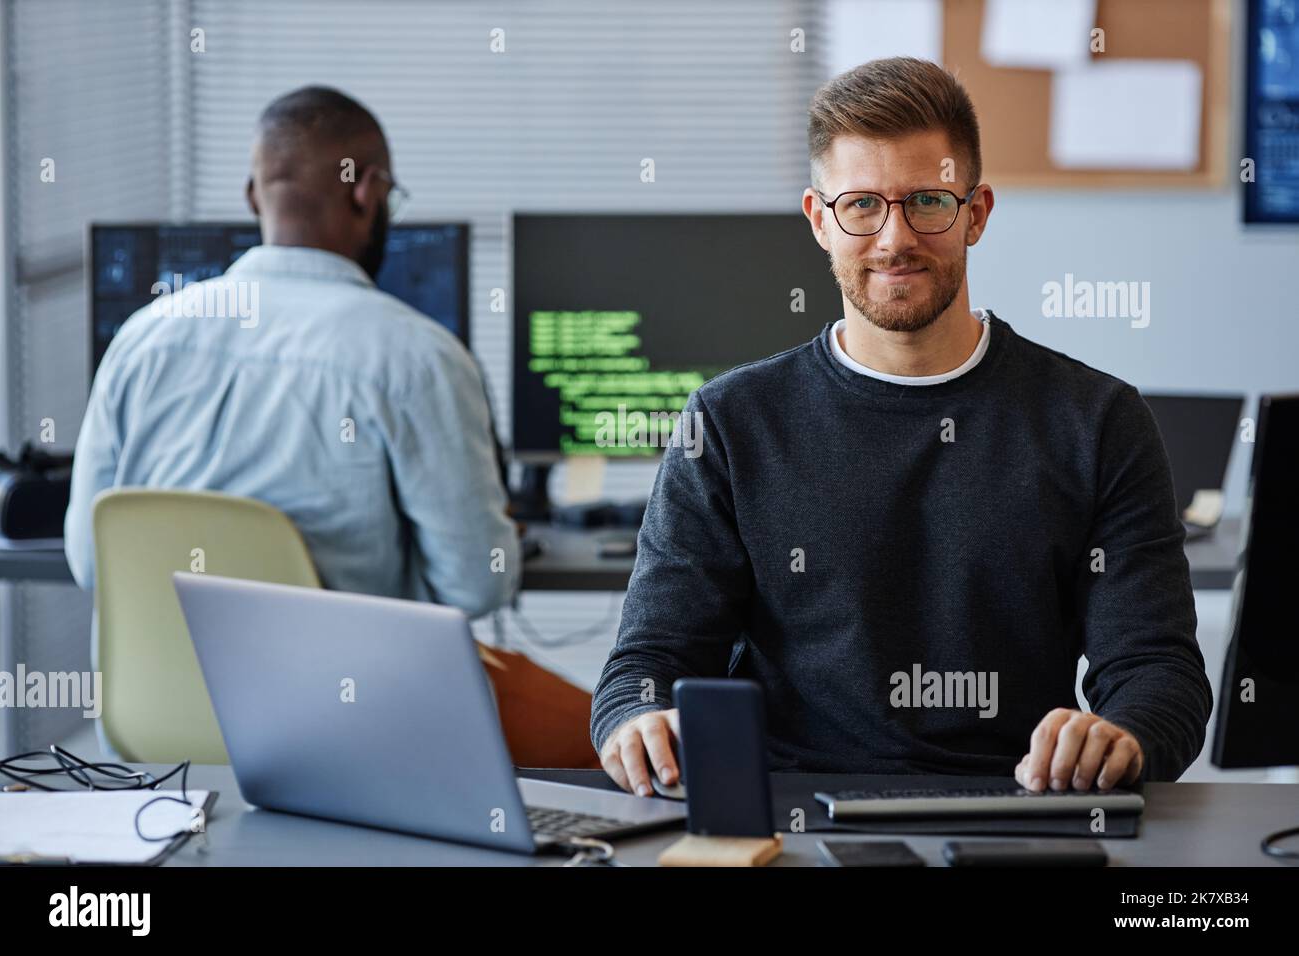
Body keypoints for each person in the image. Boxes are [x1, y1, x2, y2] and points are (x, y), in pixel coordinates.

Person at [591, 58, 1212, 797]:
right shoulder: (730, 423)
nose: (894, 239)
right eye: (861, 205)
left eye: (926, 201)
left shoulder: (1098, 420)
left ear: (976, 212)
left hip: (1017, 810)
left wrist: (1122, 736)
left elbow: (1159, 673)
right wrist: (640, 720)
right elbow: (647, 664)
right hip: (790, 813)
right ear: (820, 220)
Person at [66, 86, 519, 616]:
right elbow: (478, 586)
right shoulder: (418, 359)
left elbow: (90, 560)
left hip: (154, 699)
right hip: (351, 696)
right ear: (367, 192)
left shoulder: (139, 341)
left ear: (254, 196)